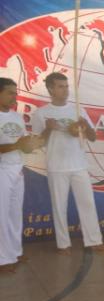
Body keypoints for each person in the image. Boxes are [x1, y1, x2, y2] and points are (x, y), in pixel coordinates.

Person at [31, 72, 104, 254]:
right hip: (56, 166)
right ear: (50, 89)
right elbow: (38, 143)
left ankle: (94, 241)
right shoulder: (41, 113)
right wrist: (49, 129)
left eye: (66, 86)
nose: (65, 90)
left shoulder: (78, 110)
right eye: (60, 86)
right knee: (59, 206)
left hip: (79, 165)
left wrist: (86, 125)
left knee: (87, 203)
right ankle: (63, 245)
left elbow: (93, 137)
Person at [0, 78, 43, 273]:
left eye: (15, 92)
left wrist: (32, 143)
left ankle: (15, 251)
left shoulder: (17, 117)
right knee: (1, 215)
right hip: (2, 170)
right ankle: (2, 259)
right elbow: (13, 145)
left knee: (14, 213)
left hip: (17, 169)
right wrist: (17, 145)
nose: (14, 96)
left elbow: (23, 144)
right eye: (10, 92)